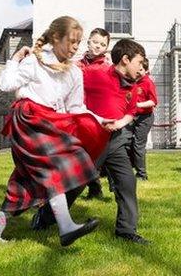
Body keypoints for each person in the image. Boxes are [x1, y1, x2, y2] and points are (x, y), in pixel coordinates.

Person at [0, 16, 110, 246]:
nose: (76, 47)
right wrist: (14, 60)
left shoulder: (74, 73)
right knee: (56, 164)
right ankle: (65, 227)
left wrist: (102, 120)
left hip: (49, 123)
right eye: (71, 41)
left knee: (24, 181)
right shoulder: (35, 61)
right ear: (56, 38)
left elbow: (76, 108)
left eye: (78, 43)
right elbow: (7, 85)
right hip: (28, 120)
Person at [31, 38, 150, 245]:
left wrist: (120, 123)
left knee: (127, 183)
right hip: (92, 139)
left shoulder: (133, 86)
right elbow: (66, 75)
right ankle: (45, 216)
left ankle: (126, 230)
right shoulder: (95, 73)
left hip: (117, 140)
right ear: (125, 59)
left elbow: (131, 113)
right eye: (139, 62)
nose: (141, 67)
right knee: (76, 184)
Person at [77, 27, 112, 199]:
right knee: (79, 152)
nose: (98, 46)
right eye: (95, 42)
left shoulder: (106, 68)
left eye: (102, 44)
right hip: (77, 113)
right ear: (88, 41)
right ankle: (94, 186)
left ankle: (95, 186)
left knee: (93, 155)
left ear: (106, 48)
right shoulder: (77, 65)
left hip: (97, 116)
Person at [130, 58, 158, 181]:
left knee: (138, 144)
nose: (139, 72)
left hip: (145, 117)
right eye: (138, 69)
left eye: (141, 69)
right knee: (127, 142)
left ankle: (142, 174)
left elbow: (153, 102)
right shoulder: (133, 82)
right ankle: (130, 170)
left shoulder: (148, 82)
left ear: (146, 70)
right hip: (132, 116)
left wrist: (138, 105)